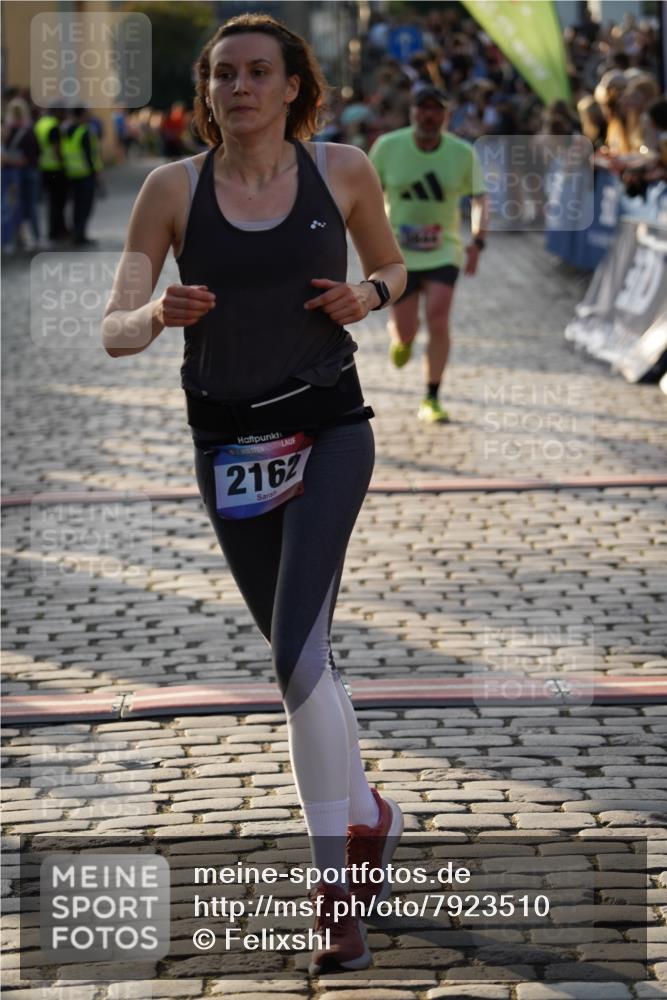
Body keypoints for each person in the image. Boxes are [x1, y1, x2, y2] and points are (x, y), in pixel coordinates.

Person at [102, 12, 407, 976]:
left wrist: (374, 296)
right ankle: (366, 816)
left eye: (257, 73)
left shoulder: (344, 170)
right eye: (223, 74)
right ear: (209, 93)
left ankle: (333, 898)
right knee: (299, 651)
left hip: (329, 427)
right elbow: (113, 328)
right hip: (229, 444)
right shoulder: (169, 190)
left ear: (290, 88)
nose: (238, 87)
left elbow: (395, 265)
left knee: (295, 653)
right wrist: (157, 312)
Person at [369, 86, 489, 423]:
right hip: (398, 254)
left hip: (444, 249)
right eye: (423, 108)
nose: (429, 115)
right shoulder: (388, 147)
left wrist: (478, 241)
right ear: (413, 113)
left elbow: (480, 198)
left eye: (437, 109)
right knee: (406, 329)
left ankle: (432, 396)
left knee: (438, 316)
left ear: (446, 116)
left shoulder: (462, 153)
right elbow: (368, 195)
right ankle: (403, 340)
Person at [61, 105, 103, 246]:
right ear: (81, 115)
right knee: (85, 206)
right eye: (87, 114)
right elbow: (89, 155)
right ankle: (80, 235)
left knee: (76, 206)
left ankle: (77, 234)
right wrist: (96, 173)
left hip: (71, 173)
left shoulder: (66, 130)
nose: (89, 116)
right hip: (85, 174)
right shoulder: (84, 132)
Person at [35, 105, 69, 242]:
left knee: (51, 202)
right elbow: (56, 147)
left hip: (43, 167)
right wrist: (63, 162)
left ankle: (54, 230)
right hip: (55, 168)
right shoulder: (54, 126)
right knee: (58, 202)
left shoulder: (40, 124)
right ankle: (56, 231)